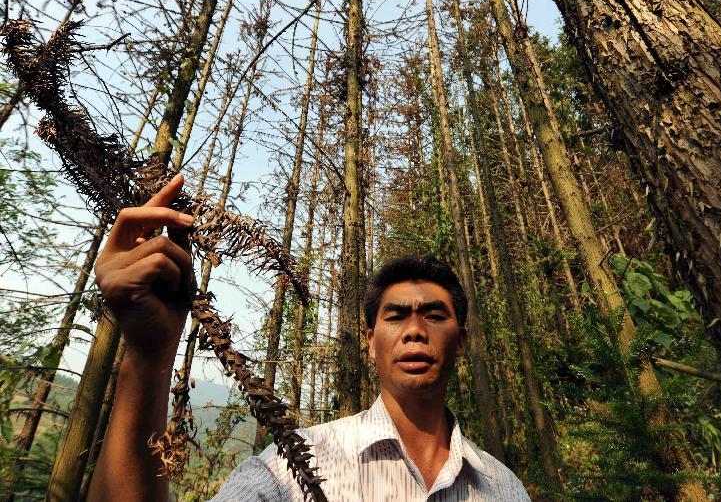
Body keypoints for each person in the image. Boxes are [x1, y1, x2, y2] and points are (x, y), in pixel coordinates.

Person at [87, 174, 530, 501]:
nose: (415, 330)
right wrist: (148, 354)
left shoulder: (503, 488)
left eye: (435, 315)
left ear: (462, 341)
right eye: (396, 316)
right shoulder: (287, 471)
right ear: (369, 341)